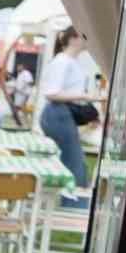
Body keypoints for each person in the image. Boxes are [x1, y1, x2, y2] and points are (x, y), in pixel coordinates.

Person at [38, 25, 99, 207]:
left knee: (71, 160)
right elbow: (52, 93)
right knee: (74, 162)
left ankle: (69, 202)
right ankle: (75, 205)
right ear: (73, 39)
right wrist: (85, 97)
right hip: (58, 113)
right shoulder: (63, 61)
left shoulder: (69, 62)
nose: (88, 40)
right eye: (84, 36)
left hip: (62, 113)